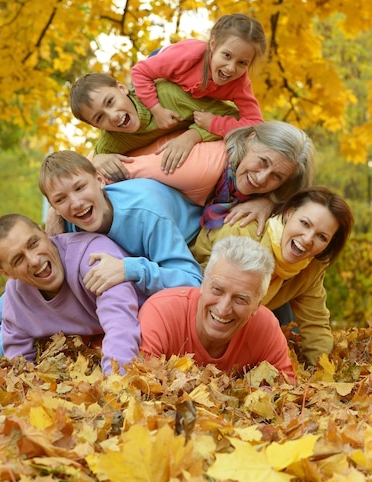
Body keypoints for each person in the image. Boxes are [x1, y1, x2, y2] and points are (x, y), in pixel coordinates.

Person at [0, 151, 205, 352]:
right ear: (54, 207)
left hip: (188, 241)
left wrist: (129, 268)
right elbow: (22, 291)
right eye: (61, 199)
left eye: (79, 188)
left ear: (100, 180)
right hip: (135, 268)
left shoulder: (147, 213)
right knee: (24, 278)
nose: (75, 203)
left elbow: (193, 282)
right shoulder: (73, 221)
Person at [191, 187, 354, 365]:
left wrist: (323, 375)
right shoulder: (243, 233)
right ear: (289, 213)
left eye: (321, 236)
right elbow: (199, 293)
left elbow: (315, 324)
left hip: (245, 313)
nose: (308, 239)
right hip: (198, 304)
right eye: (305, 223)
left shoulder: (311, 266)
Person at [0, 214, 147, 375]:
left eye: (33, 243)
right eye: (18, 259)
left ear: (44, 233)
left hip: (141, 318)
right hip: (96, 337)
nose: (33, 260)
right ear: (7, 273)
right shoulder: (17, 295)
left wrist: (116, 384)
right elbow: (19, 363)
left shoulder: (91, 255)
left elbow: (120, 322)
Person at [139, 236, 295, 382]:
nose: (223, 309)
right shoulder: (161, 314)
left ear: (257, 305)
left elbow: (286, 390)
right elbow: (139, 384)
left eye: (240, 299)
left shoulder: (265, 327)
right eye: (217, 290)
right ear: (203, 284)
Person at [131, 13, 266, 171]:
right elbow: (140, 72)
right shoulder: (187, 56)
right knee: (143, 113)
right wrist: (156, 109)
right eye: (227, 55)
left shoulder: (240, 82)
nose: (231, 67)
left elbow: (255, 122)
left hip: (192, 99)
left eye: (242, 63)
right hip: (162, 64)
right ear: (213, 44)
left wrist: (214, 124)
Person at [70, 72, 232, 201]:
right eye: (99, 118)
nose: (112, 116)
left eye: (110, 101)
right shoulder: (113, 138)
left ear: (121, 88)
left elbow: (233, 116)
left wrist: (192, 136)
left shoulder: (168, 95)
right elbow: (93, 160)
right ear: (96, 126)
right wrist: (99, 159)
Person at [200, 120, 317, 236]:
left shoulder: (270, 210)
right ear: (250, 140)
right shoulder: (208, 160)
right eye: (263, 161)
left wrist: (269, 204)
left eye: (277, 176)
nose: (261, 179)